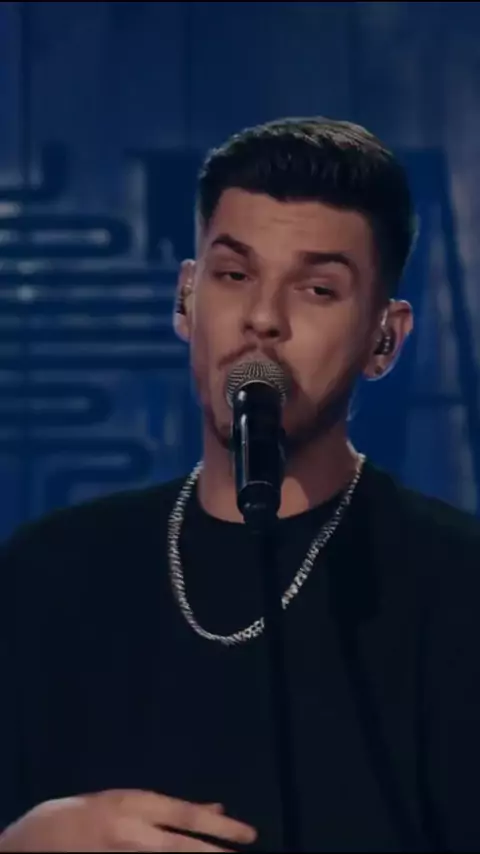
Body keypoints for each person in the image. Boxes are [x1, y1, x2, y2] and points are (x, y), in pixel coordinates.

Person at [1, 116, 480, 854]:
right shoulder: (47, 573)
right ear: (186, 300)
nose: (262, 318)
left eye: (317, 289)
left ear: (384, 340)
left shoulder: (457, 585)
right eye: (234, 276)